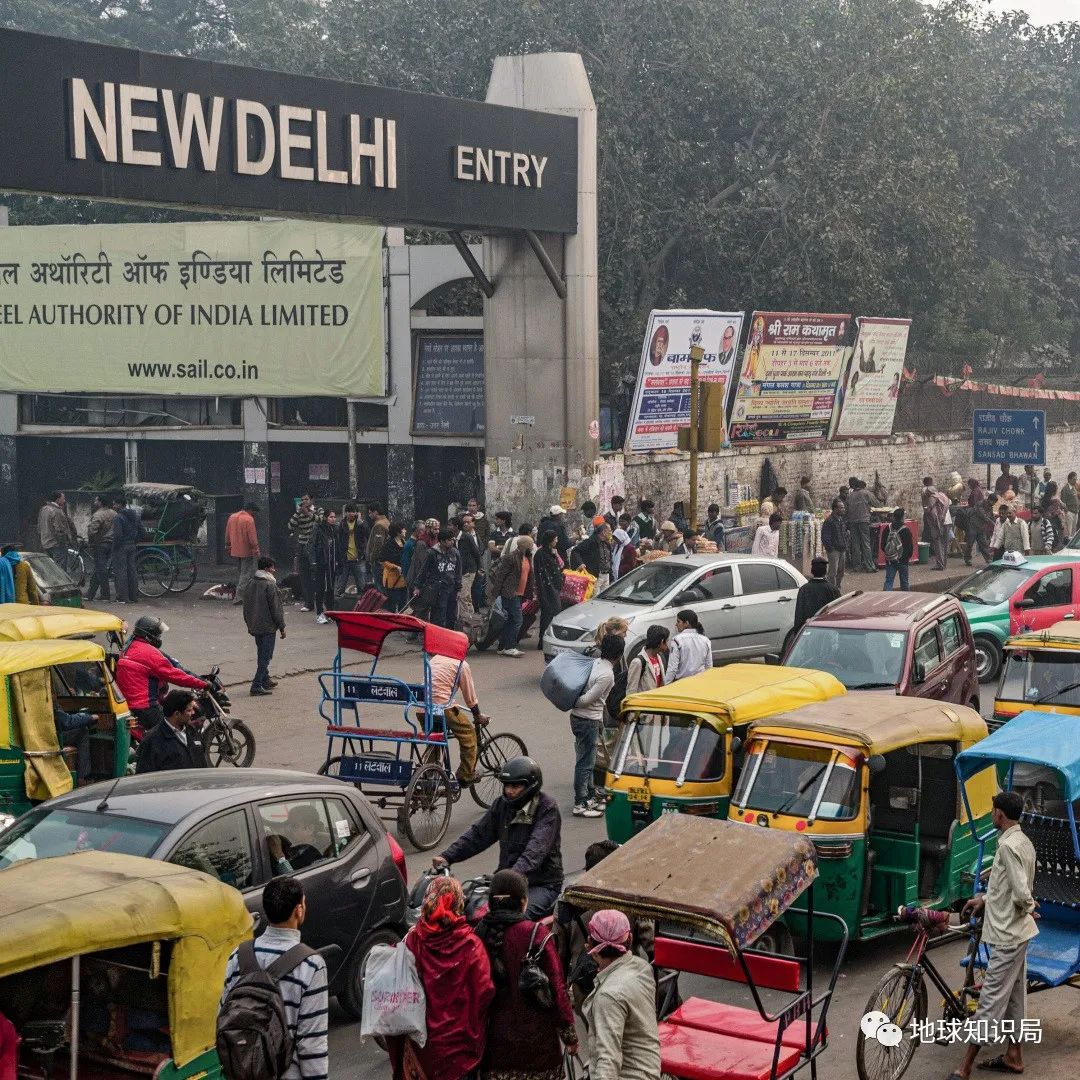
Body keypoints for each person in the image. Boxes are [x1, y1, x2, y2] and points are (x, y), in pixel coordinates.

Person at [950, 791, 1037, 1080]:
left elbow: (1021, 889)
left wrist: (1029, 907)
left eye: (992, 810)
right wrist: (984, 900)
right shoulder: (1022, 841)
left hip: (1008, 935)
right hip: (1017, 933)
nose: (991, 815)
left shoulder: (1007, 848)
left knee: (989, 1001)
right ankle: (1014, 1056)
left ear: (999, 814)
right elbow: (1006, 886)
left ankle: (964, 1067)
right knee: (1013, 998)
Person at [220, 877, 328, 1080]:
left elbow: (223, 1014)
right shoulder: (311, 965)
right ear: (299, 910)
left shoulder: (238, 955)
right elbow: (312, 1042)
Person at [476, 868, 578, 1080]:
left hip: (495, 1048)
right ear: (523, 901)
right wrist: (569, 1035)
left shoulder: (477, 935)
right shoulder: (537, 934)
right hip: (539, 1049)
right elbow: (558, 989)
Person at [389, 876, 494, 1080]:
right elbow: (484, 993)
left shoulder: (413, 942)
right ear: (457, 903)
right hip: (462, 1051)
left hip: (425, 1051)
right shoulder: (470, 945)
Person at [436, 756, 564, 918]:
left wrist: (509, 879)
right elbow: (478, 834)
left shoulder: (547, 808)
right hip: (505, 882)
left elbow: (535, 851)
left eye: (515, 786)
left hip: (540, 885)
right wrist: (447, 856)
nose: (509, 791)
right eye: (506, 785)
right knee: (465, 908)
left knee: (513, 919)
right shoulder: (502, 805)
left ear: (531, 786)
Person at [582, 909, 661, 1080]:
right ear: (630, 939)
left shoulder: (608, 996)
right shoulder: (642, 968)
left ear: (591, 948)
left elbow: (608, 1060)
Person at [116, 616, 207, 731]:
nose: (159, 637)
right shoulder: (149, 653)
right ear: (149, 635)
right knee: (174, 732)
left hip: (128, 703)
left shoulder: (129, 646)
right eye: (157, 634)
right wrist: (203, 684)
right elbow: (176, 675)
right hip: (145, 707)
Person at [569, 635, 622, 818]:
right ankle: (580, 803)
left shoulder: (595, 663)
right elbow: (587, 699)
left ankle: (590, 795)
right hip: (587, 720)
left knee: (587, 761)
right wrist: (573, 701)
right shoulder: (607, 674)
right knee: (585, 763)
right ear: (620, 654)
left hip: (581, 719)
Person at [430, 651, 488, 785]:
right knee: (469, 735)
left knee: (434, 740)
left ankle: (428, 772)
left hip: (423, 708)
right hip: (443, 707)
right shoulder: (462, 665)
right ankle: (465, 776)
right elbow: (470, 698)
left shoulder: (436, 658)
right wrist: (478, 715)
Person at [134, 688, 206, 773]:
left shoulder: (192, 732)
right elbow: (144, 777)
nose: (193, 713)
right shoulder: (152, 741)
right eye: (189, 710)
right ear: (177, 714)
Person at [243, 556, 285, 697]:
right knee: (265, 656)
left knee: (262, 652)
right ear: (267, 569)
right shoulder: (270, 585)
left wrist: (249, 623)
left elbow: (246, 606)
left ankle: (265, 679)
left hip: (255, 624)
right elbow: (276, 609)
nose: (274, 570)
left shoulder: (251, 583)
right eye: (272, 567)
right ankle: (257, 684)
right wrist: (282, 627)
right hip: (267, 626)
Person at [486, 536, 534, 657]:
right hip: (510, 592)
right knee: (517, 620)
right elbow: (501, 576)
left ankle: (503, 646)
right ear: (524, 546)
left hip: (520, 593)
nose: (532, 548)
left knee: (511, 620)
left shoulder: (527, 557)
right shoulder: (511, 557)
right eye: (530, 546)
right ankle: (510, 646)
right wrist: (495, 593)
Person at [414, 528, 463, 629]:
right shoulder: (432, 553)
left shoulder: (455, 553)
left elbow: (458, 572)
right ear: (442, 541)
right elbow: (423, 571)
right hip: (437, 589)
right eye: (450, 540)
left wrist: (458, 589)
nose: (452, 542)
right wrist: (417, 587)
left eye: (453, 539)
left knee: (451, 616)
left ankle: (448, 639)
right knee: (438, 616)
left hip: (451, 588)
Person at [307, 509, 340, 624]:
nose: (333, 519)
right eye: (331, 517)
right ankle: (319, 613)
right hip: (321, 563)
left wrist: (338, 561)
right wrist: (313, 562)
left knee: (331, 588)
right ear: (326, 517)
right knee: (320, 588)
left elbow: (338, 546)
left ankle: (330, 612)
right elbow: (311, 545)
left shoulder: (335, 529)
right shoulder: (319, 528)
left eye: (334, 517)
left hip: (332, 564)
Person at [224, 502, 260, 606]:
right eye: (254, 513)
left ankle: (244, 595)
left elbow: (227, 533)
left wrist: (228, 546)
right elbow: (252, 538)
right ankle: (239, 597)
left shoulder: (232, 517)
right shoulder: (249, 519)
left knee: (241, 572)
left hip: (235, 549)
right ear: (251, 510)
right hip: (246, 550)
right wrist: (256, 550)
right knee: (246, 573)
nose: (254, 515)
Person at [534, 529, 565, 649]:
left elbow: (560, 566)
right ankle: (543, 641)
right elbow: (542, 574)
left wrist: (555, 554)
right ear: (550, 540)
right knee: (547, 615)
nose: (557, 541)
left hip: (553, 588)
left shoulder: (550, 553)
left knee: (553, 613)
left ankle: (549, 640)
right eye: (555, 539)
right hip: (546, 589)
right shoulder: (541, 554)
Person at [54, 699, 96, 783]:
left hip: (51, 733)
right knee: (83, 732)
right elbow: (66, 722)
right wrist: (89, 717)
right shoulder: (48, 700)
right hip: (54, 736)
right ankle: (82, 777)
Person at [793, 557, 839, 631]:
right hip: (828, 630)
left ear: (812, 571)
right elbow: (837, 613)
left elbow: (799, 614)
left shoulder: (804, 589)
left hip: (809, 631)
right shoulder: (833, 589)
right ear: (825, 571)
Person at [85, 495, 116, 602]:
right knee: (98, 569)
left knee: (100, 570)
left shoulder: (98, 515)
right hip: (111, 544)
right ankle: (90, 594)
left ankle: (105, 594)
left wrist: (90, 542)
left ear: (100, 502)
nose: (94, 502)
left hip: (100, 544)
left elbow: (92, 531)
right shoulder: (114, 513)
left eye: (96, 500)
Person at [666, 609, 713, 681]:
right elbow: (709, 666)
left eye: (678, 621)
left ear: (686, 623)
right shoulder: (705, 640)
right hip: (701, 682)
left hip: (682, 684)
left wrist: (666, 685)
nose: (676, 624)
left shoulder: (676, 640)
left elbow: (672, 668)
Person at [110, 497, 141, 604]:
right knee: (132, 571)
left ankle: (123, 597)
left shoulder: (118, 518)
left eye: (114, 504)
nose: (113, 507)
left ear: (120, 505)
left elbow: (117, 535)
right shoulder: (135, 516)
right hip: (132, 545)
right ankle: (134, 596)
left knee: (121, 572)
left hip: (121, 547)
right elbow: (141, 531)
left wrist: (114, 547)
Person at [38, 491, 77, 574]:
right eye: (63, 498)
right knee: (60, 570)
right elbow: (60, 530)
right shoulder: (56, 511)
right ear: (58, 499)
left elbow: (39, 527)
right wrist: (65, 543)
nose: (64, 501)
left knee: (50, 569)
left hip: (45, 543)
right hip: (56, 544)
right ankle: (60, 586)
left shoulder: (44, 509)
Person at [456, 510, 484, 622]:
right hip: (467, 569)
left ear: (473, 523)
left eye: (468, 522)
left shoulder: (475, 535)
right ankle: (469, 618)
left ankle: (472, 616)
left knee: (474, 592)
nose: (466, 524)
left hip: (475, 568)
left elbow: (478, 552)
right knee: (466, 595)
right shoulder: (462, 536)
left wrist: (480, 567)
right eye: (464, 522)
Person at [625, 625, 669, 694]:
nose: (667, 644)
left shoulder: (659, 657)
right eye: (666, 641)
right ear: (661, 642)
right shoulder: (638, 662)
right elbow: (631, 691)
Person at [881, 508, 914, 592]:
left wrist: (890, 554)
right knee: (904, 583)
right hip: (902, 561)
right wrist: (905, 558)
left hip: (890, 560)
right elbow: (909, 548)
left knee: (889, 581)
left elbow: (883, 545)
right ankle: (906, 601)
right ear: (903, 517)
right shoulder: (905, 530)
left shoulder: (887, 528)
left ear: (894, 517)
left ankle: (885, 599)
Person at [335, 503, 365, 596]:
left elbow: (367, 534)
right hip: (345, 558)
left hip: (357, 558)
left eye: (354, 512)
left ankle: (362, 606)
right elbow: (338, 541)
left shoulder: (360, 524)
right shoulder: (342, 524)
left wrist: (360, 521)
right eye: (350, 512)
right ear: (346, 513)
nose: (352, 514)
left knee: (361, 585)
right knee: (341, 585)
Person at [845, 479, 874, 572]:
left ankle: (857, 566)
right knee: (866, 543)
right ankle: (869, 566)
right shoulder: (866, 493)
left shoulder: (849, 496)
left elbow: (846, 510)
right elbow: (877, 503)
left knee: (855, 544)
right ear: (861, 486)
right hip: (863, 520)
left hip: (852, 521)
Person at [921, 478, 950, 571]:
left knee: (938, 543)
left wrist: (938, 527)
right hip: (947, 521)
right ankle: (944, 564)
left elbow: (934, 514)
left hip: (938, 523)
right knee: (944, 544)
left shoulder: (931, 499)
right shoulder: (942, 495)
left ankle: (940, 565)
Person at [822, 498, 849, 590]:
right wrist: (830, 549)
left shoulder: (841, 520)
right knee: (833, 572)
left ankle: (837, 587)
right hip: (834, 550)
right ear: (835, 509)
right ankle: (832, 590)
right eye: (841, 508)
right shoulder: (829, 521)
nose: (843, 509)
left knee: (841, 571)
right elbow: (825, 537)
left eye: (843, 507)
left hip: (842, 549)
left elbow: (843, 533)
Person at [380, 522, 408, 611]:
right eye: (403, 529)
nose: (405, 531)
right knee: (392, 604)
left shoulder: (405, 543)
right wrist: (396, 567)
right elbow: (383, 561)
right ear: (398, 532)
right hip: (392, 580)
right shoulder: (388, 545)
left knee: (403, 604)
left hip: (404, 579)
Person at [364, 502, 390, 589]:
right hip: (383, 561)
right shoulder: (386, 521)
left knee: (380, 588)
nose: (369, 515)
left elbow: (378, 545)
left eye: (370, 513)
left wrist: (372, 559)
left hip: (378, 563)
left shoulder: (379, 525)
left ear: (375, 512)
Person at [965, 494, 997, 566]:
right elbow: (982, 515)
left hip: (981, 528)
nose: (994, 504)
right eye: (993, 502)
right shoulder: (980, 504)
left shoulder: (990, 507)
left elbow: (991, 516)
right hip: (973, 526)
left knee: (983, 544)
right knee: (970, 544)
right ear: (990, 500)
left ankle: (988, 559)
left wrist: (996, 522)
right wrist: (992, 523)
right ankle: (967, 559)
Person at [1063, 472, 1079, 538]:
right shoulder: (1065, 489)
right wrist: (1067, 511)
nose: (1075, 481)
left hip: (1076, 511)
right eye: (1074, 479)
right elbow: (1063, 501)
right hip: (1070, 512)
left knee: (1074, 531)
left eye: (1076, 479)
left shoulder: (1074, 487)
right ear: (1069, 479)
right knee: (1069, 531)